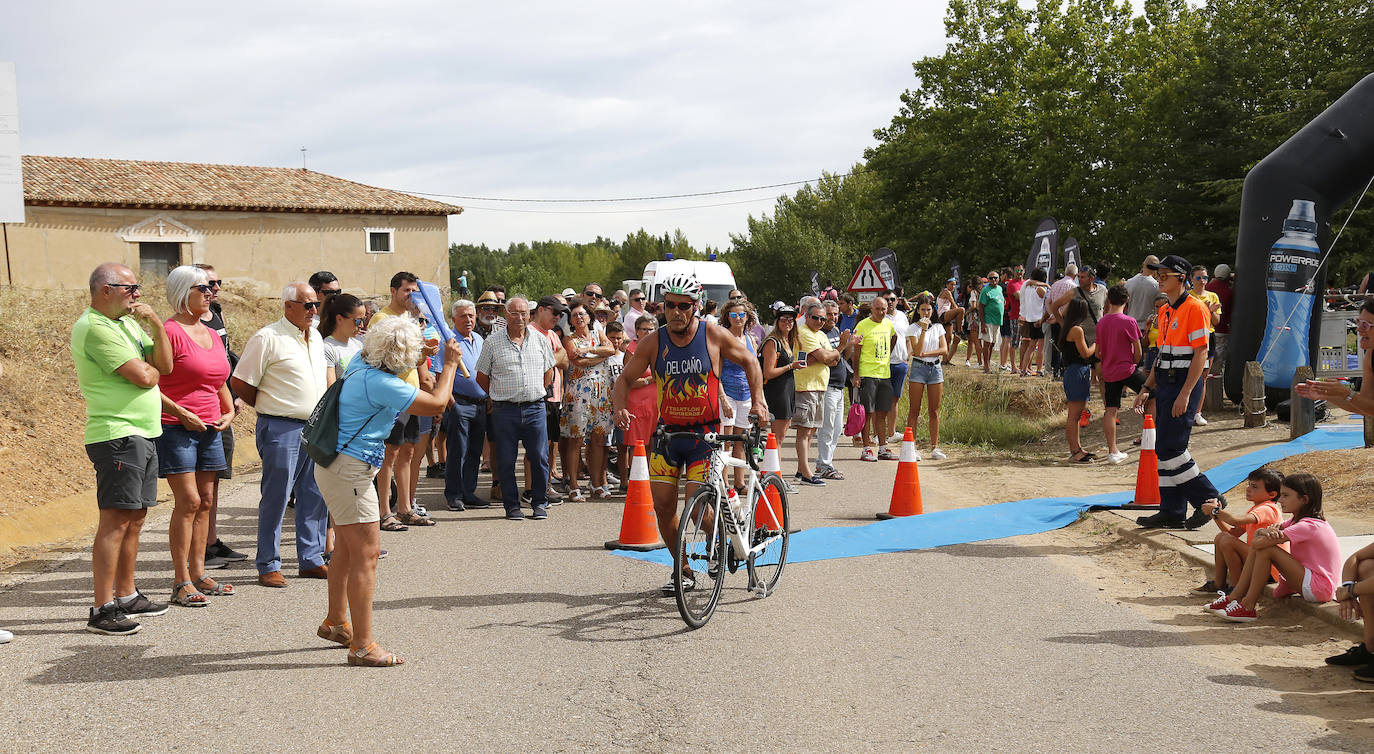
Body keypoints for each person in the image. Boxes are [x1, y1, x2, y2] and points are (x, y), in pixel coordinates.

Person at [315, 316, 462, 667]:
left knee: (347, 552)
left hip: (338, 465)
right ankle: (363, 645)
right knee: (366, 554)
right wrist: (451, 364)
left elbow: (398, 364)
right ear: (401, 354)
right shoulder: (382, 383)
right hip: (350, 471)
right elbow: (439, 403)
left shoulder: (360, 364)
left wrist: (419, 353)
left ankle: (336, 622)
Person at [611, 273, 767, 594]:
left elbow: (751, 361)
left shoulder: (712, 333)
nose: (676, 312)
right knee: (663, 507)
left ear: (696, 306)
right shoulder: (654, 341)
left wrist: (759, 401)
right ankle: (682, 569)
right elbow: (624, 379)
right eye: (670, 305)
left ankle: (719, 540)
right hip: (668, 436)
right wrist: (619, 408)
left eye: (684, 306)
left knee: (697, 506)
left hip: (706, 436)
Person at [72, 263, 173, 635]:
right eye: (130, 288)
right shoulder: (95, 327)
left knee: (136, 518)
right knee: (115, 521)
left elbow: (164, 365)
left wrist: (158, 326)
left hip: (142, 432)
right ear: (104, 290)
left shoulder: (126, 323)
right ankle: (102, 607)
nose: (137, 294)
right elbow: (145, 376)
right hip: (117, 434)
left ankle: (127, 594)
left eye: (138, 287)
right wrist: (151, 365)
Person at [230, 282, 330, 587]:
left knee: (314, 494)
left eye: (316, 304)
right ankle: (268, 563)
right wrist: (268, 405)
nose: (314, 310)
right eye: (307, 305)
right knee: (277, 495)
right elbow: (241, 382)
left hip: (314, 426)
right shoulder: (267, 337)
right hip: (281, 426)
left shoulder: (314, 335)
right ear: (288, 306)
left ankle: (311, 558)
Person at [157, 266, 236, 607]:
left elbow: (220, 379)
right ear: (181, 291)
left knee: (205, 501)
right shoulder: (169, 331)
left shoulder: (211, 331)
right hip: (177, 427)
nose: (209, 292)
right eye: (201, 288)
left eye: (210, 287)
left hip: (210, 427)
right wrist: (181, 413)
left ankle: (200, 572)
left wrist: (230, 410)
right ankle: (180, 580)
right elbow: (149, 383)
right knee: (188, 501)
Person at [1134, 255, 1223, 530]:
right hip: (1167, 383)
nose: (1159, 278)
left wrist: (1186, 394)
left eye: (1164, 275)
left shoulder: (1196, 308)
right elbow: (1161, 354)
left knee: (1171, 448)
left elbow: (1201, 353)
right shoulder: (1165, 311)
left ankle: (1210, 499)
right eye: (1158, 274)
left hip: (1185, 383)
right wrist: (1147, 387)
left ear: (1181, 278)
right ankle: (1171, 510)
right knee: (1165, 448)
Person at [1208, 473, 1340, 622]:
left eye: (1286, 495)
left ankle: (1246, 605)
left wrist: (1262, 534)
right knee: (1257, 544)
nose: (1280, 500)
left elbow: (1258, 543)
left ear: (1304, 499)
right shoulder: (1295, 521)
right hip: (1310, 583)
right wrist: (1263, 532)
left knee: (1266, 549)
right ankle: (1236, 598)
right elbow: (1263, 533)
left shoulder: (1308, 526)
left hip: (1319, 587)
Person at [368, 272, 438, 531]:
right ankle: (384, 511)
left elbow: (412, 360)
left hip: (411, 393)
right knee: (390, 453)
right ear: (393, 291)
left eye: (415, 291)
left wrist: (424, 354)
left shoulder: (412, 320)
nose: (412, 296)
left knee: (408, 451)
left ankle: (406, 508)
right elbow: (382, 360)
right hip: (391, 396)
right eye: (407, 290)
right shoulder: (382, 319)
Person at [476, 297, 556, 521]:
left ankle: (539, 502)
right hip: (505, 410)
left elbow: (548, 371)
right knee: (505, 459)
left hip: (535, 407)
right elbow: (482, 377)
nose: (519, 318)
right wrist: (495, 395)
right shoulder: (492, 342)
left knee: (540, 458)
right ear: (506, 314)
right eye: (514, 313)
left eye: (523, 313)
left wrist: (537, 388)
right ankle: (512, 506)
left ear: (529, 315)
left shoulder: (540, 340)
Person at [194, 264, 249, 568]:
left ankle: (211, 540)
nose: (213, 289)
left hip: (224, 406)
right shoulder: (186, 322)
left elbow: (227, 357)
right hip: (203, 410)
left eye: (217, 283)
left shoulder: (216, 312)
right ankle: (199, 548)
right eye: (206, 284)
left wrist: (236, 395)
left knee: (215, 480)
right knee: (201, 485)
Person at [1194, 467, 1283, 595]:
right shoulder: (1257, 508)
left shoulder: (1268, 508)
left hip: (1269, 568)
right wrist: (1215, 515)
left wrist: (1215, 510)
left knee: (1226, 540)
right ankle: (1219, 584)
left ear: (1272, 494)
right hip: (1259, 562)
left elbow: (1234, 521)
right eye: (1249, 484)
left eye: (1254, 486)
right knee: (1222, 537)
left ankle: (1236, 589)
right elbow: (1232, 532)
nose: (1248, 488)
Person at [561, 297, 616, 501]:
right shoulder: (569, 338)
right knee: (576, 440)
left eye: (582, 313)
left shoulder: (597, 332)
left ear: (588, 316)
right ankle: (574, 485)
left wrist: (589, 349)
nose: (578, 317)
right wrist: (598, 356)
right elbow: (580, 362)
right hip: (578, 394)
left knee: (599, 439)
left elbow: (611, 349)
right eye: (574, 315)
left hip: (601, 393)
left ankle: (596, 483)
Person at [442, 299, 487, 511]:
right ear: (453, 319)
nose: (468, 319)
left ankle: (469, 491)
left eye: (471, 315)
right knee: (457, 450)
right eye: (463, 316)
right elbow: (440, 375)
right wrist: (452, 404)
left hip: (481, 403)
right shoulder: (448, 341)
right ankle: (454, 494)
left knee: (474, 451)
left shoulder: (478, 338)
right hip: (459, 402)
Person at [793, 301, 841, 486]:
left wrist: (828, 356)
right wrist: (829, 354)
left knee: (811, 430)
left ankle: (801, 469)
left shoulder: (820, 334)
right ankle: (805, 473)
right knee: (805, 431)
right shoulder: (804, 332)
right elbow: (825, 357)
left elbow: (833, 360)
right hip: (807, 387)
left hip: (819, 386)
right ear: (806, 317)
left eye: (823, 318)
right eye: (815, 317)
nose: (820, 321)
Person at [1095, 284, 1145, 465]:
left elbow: (1098, 353)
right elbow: (1138, 352)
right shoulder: (1129, 321)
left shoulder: (1101, 322)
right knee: (1153, 395)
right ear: (1127, 300)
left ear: (1108, 300)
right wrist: (1132, 362)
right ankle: (1151, 437)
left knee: (1110, 409)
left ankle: (1112, 451)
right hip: (1127, 369)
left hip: (1109, 371)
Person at [528, 296, 569, 505]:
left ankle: (545, 485)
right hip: (537, 396)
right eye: (555, 313)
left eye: (561, 314)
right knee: (536, 446)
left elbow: (566, 360)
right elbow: (540, 363)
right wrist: (555, 356)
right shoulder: (530, 332)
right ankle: (531, 489)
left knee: (552, 443)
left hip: (555, 396)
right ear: (541, 310)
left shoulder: (552, 334)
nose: (558, 317)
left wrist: (553, 357)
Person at [852, 295, 897, 461]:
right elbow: (855, 353)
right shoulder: (863, 325)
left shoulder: (888, 324)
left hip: (884, 374)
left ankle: (883, 447)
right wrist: (857, 375)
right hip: (868, 374)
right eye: (877, 309)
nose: (881, 312)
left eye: (883, 309)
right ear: (871, 309)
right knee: (868, 413)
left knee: (882, 412)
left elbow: (894, 337)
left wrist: (886, 357)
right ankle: (866, 448)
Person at [719, 299, 757, 490]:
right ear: (727, 317)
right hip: (728, 393)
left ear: (747, 317)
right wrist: (722, 398)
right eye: (733, 315)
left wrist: (759, 399)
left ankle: (740, 483)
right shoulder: (723, 338)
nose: (738, 318)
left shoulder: (750, 339)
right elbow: (715, 372)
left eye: (742, 315)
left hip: (746, 395)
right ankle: (725, 483)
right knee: (726, 441)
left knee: (742, 441)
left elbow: (755, 370)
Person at [905, 296, 948, 460]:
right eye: (922, 309)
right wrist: (923, 329)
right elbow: (917, 350)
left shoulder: (938, 327)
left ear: (933, 310)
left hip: (935, 368)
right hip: (918, 368)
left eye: (928, 309)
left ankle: (935, 447)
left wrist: (927, 354)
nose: (926, 312)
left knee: (934, 410)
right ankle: (912, 446)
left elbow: (944, 349)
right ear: (918, 310)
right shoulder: (913, 328)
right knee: (914, 410)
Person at [760, 305, 801, 476]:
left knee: (779, 438)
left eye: (791, 320)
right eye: (783, 319)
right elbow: (768, 372)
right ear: (777, 321)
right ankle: (775, 477)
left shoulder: (787, 340)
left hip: (786, 390)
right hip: (776, 393)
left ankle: (774, 476)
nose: (787, 323)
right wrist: (791, 366)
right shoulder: (773, 341)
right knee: (777, 439)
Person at [622, 316, 660, 488]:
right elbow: (628, 380)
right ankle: (634, 478)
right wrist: (650, 380)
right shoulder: (631, 349)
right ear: (636, 330)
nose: (647, 332)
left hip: (655, 400)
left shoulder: (658, 347)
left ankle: (648, 477)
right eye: (643, 329)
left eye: (650, 329)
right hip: (637, 400)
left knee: (653, 440)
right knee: (637, 443)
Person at [815, 300, 851, 480]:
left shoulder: (836, 331)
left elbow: (843, 357)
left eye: (836, 314)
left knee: (837, 429)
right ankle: (824, 465)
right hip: (827, 386)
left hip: (839, 386)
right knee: (827, 428)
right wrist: (843, 345)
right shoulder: (820, 334)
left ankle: (825, 462)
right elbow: (829, 360)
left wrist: (850, 343)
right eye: (829, 314)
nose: (833, 318)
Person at [1059, 297, 1097, 463]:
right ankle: (1075, 451)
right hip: (1077, 371)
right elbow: (1086, 353)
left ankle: (1078, 448)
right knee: (1074, 416)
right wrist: (1097, 343)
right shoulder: (1077, 330)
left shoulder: (1067, 327)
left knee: (1076, 414)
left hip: (1075, 371)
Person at [1187, 264, 1222, 425]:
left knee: (1203, 377)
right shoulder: (1188, 296)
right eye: (1199, 278)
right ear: (1192, 279)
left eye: (1205, 277)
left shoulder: (1213, 296)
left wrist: (1211, 311)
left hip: (1209, 336)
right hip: (1191, 337)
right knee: (1187, 374)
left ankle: (1197, 412)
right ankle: (1186, 409)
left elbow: (1216, 321)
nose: (1202, 281)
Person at [320, 293, 366, 384]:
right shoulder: (327, 348)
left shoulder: (358, 344)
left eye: (363, 320)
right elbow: (331, 389)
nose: (361, 325)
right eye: (357, 321)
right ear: (339, 319)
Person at [1045, 263, 1079, 378]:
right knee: (1066, 345)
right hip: (1066, 319)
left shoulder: (1054, 285)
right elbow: (1071, 304)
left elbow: (1047, 301)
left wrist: (1052, 314)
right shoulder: (1074, 286)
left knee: (1055, 344)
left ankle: (1056, 371)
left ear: (1065, 273)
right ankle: (1064, 370)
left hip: (1054, 318)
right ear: (1075, 275)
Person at [1017, 268, 1049, 376]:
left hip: (1030, 319)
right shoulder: (1041, 289)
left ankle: (1024, 370)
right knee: (1041, 347)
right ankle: (1039, 370)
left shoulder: (1026, 286)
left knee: (1031, 346)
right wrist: (1047, 286)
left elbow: (1030, 282)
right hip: (1039, 319)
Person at [1123, 255, 1161, 345]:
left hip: (1130, 327)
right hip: (1147, 329)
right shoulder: (1156, 286)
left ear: (1143, 264)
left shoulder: (1128, 283)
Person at [1205, 263, 1235, 375]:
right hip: (1223, 328)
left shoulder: (1207, 288)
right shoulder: (1230, 292)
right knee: (1219, 356)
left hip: (1208, 327)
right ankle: (1215, 377)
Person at [976, 271, 1005, 375]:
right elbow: (981, 307)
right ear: (988, 279)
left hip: (997, 321)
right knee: (987, 343)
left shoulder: (1000, 289)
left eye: (995, 278)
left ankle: (988, 362)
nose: (994, 280)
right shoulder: (985, 290)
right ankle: (986, 366)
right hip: (988, 320)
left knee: (992, 343)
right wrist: (983, 323)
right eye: (991, 278)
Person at [1001, 265, 1024, 371]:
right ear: (1014, 272)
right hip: (1015, 315)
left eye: (1021, 270)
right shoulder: (1011, 284)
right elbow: (1019, 297)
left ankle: (1023, 366)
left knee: (1026, 342)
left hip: (1026, 316)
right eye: (1017, 271)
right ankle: (1013, 366)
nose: (1019, 272)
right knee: (1013, 341)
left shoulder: (1025, 282)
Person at [937, 279, 964, 364]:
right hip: (943, 315)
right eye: (951, 284)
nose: (953, 287)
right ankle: (959, 331)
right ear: (947, 285)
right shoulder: (946, 292)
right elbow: (953, 304)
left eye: (954, 285)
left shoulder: (947, 292)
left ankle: (945, 360)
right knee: (961, 310)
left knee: (947, 340)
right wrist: (958, 313)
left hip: (946, 317)